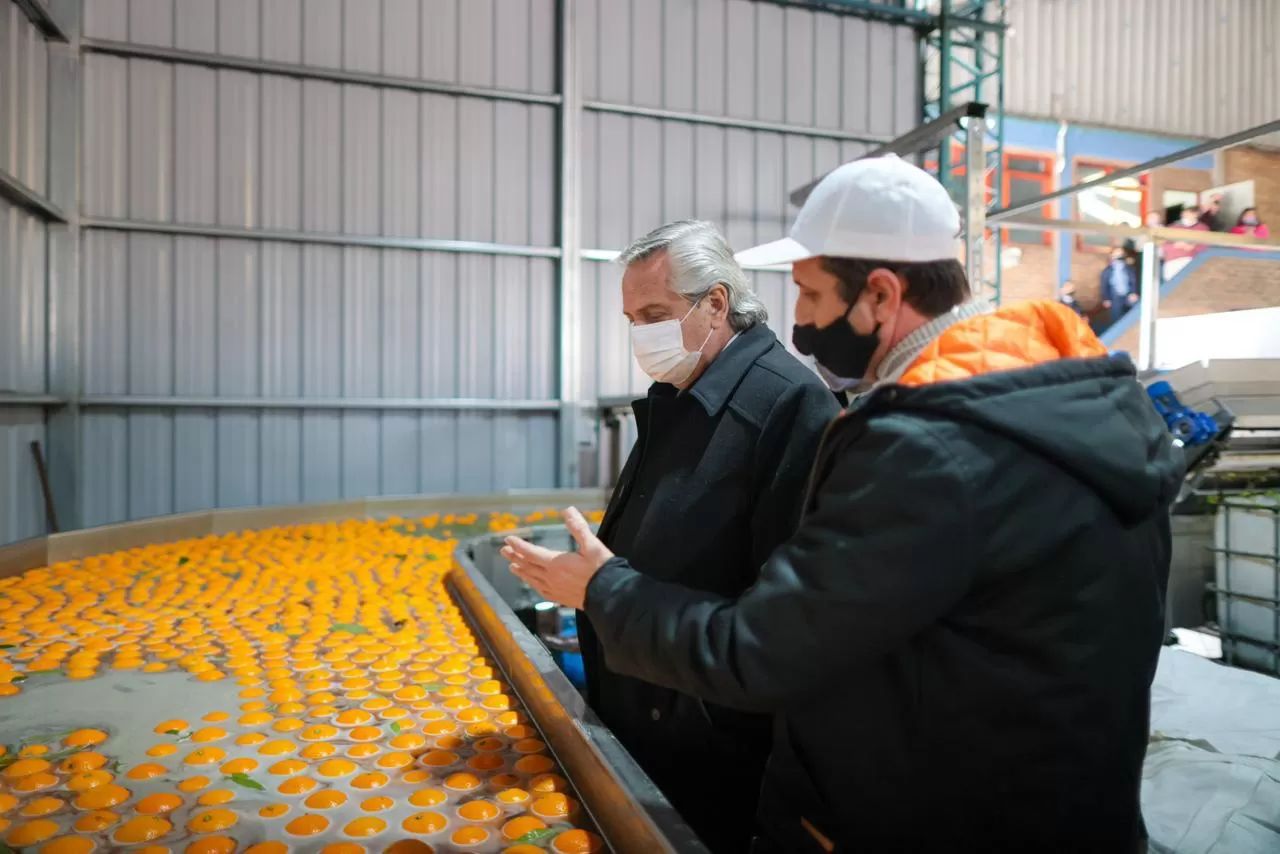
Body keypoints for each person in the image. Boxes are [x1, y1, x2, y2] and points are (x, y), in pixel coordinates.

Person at [504, 155, 1183, 853]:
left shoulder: (929, 449)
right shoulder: (1068, 406)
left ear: (882, 296)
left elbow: (761, 651)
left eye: (810, 294)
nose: (796, 323)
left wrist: (605, 590)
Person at [573, 220, 839, 854]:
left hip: (711, 749)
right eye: (632, 317)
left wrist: (608, 589)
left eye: (656, 313)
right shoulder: (681, 394)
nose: (642, 334)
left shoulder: (787, 406)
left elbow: (783, 622)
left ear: (716, 303)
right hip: (652, 720)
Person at [1163, 205, 1209, 280]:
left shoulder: (1202, 228)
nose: (1187, 215)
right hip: (1173, 260)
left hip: (1193, 260)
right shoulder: (1173, 227)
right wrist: (1175, 245)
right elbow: (1164, 244)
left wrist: (1194, 247)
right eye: (1185, 213)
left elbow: (1206, 246)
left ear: (1196, 215)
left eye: (1190, 213)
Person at [1099, 245, 1139, 328]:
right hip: (1115, 296)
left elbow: (1133, 281)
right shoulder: (1107, 271)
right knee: (1116, 318)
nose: (1119, 255)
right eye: (1117, 253)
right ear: (1112, 255)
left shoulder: (1128, 268)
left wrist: (1134, 293)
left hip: (1128, 294)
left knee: (1137, 310)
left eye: (1121, 253)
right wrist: (1106, 299)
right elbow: (1104, 286)